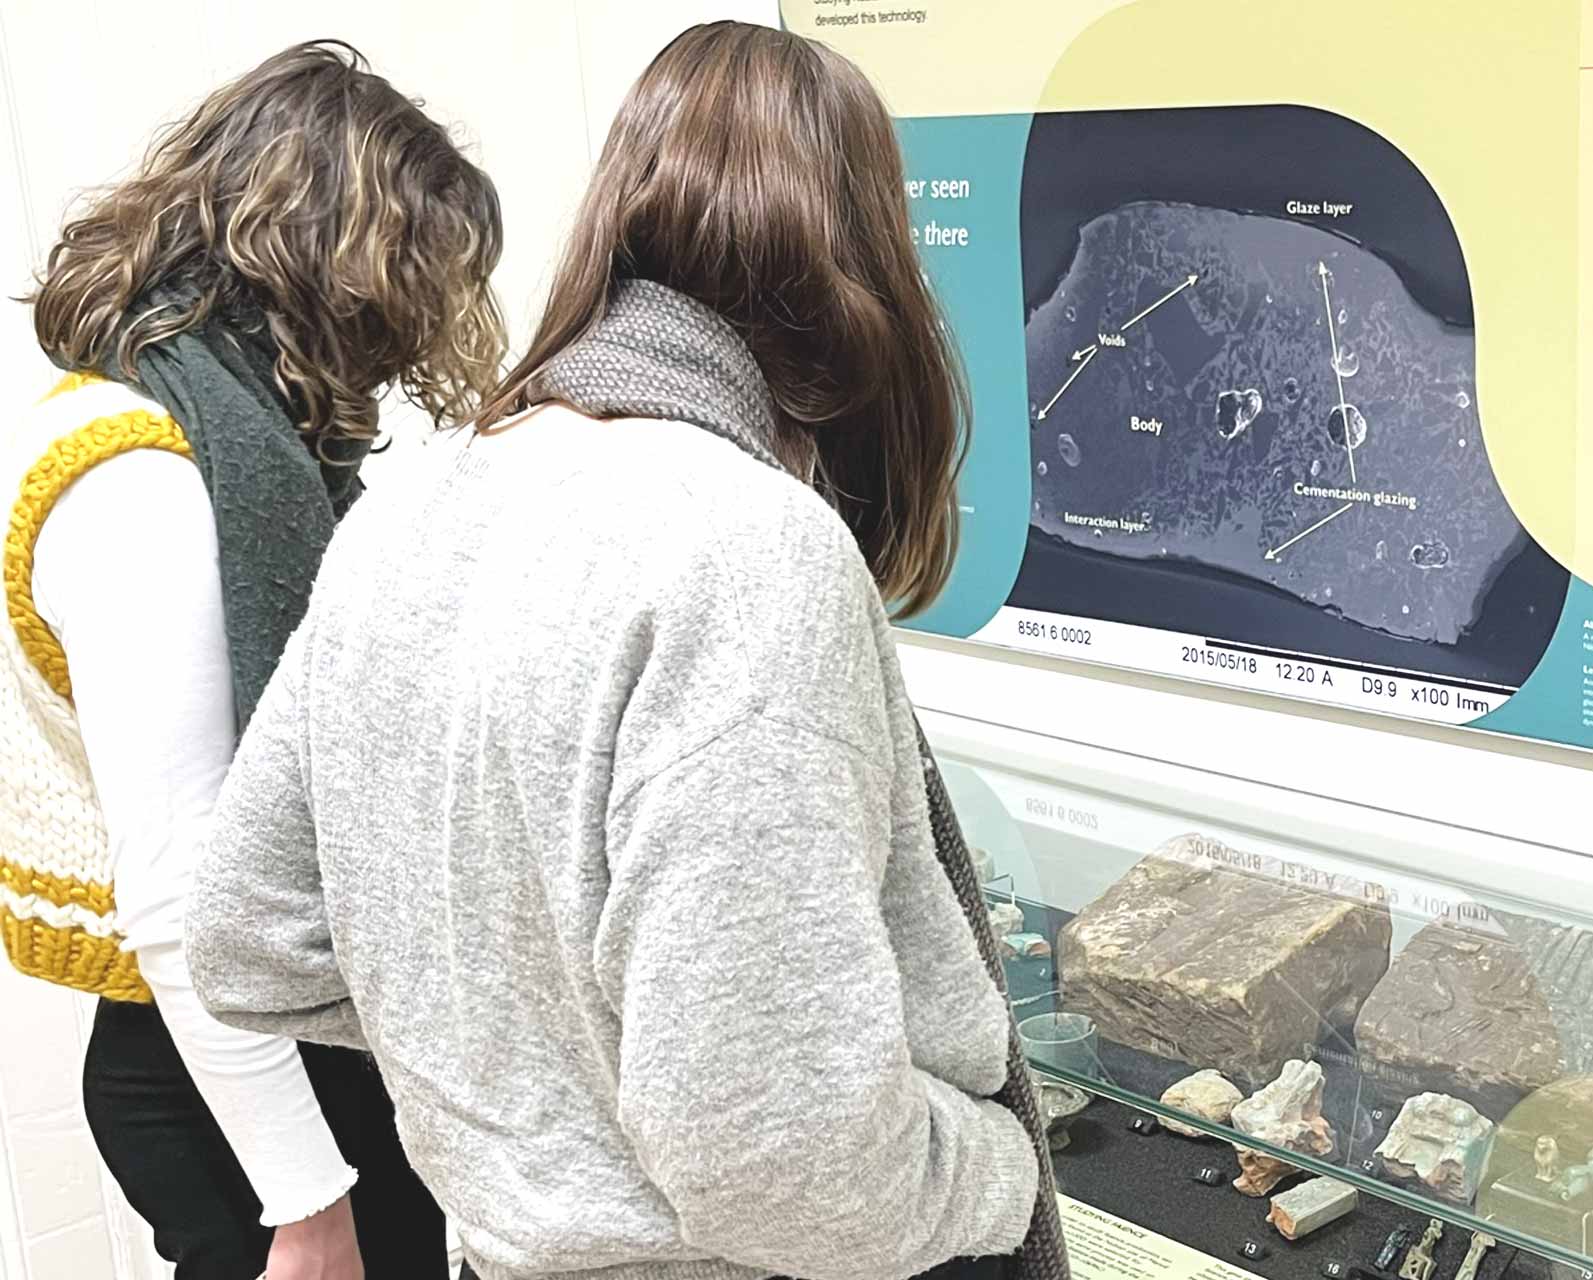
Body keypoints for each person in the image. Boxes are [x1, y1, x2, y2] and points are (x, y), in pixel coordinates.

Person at [185, 20, 1069, 1280]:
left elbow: (250, 931)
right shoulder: (745, 549)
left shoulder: (415, 507)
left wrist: (526, 1052)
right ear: (867, 269)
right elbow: (786, 1163)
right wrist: (997, 1164)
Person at [3, 41, 505, 1279]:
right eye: (411, 282)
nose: (416, 330)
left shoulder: (205, 433)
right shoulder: (143, 478)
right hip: (234, 1084)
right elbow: (185, 882)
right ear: (332, 267)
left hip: (277, 1046)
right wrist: (308, 1198)